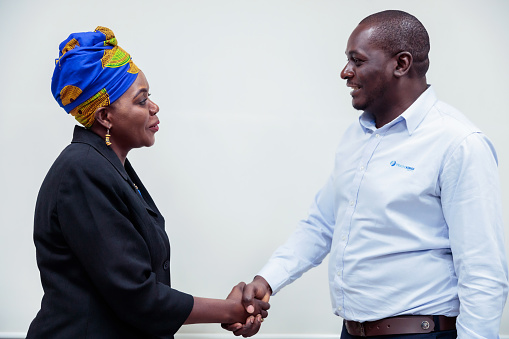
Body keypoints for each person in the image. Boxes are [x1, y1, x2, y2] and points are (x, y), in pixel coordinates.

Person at [222, 10, 508, 338]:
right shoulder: (356, 137)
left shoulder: (458, 143)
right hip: (352, 332)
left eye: (357, 61)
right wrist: (266, 280)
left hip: (421, 334)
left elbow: (483, 273)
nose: (345, 72)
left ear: (401, 64)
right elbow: (320, 225)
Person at [26, 26, 268, 339]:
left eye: (149, 96)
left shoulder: (107, 167)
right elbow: (137, 296)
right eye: (141, 101)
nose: (154, 107)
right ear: (105, 117)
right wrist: (233, 309)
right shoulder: (82, 170)